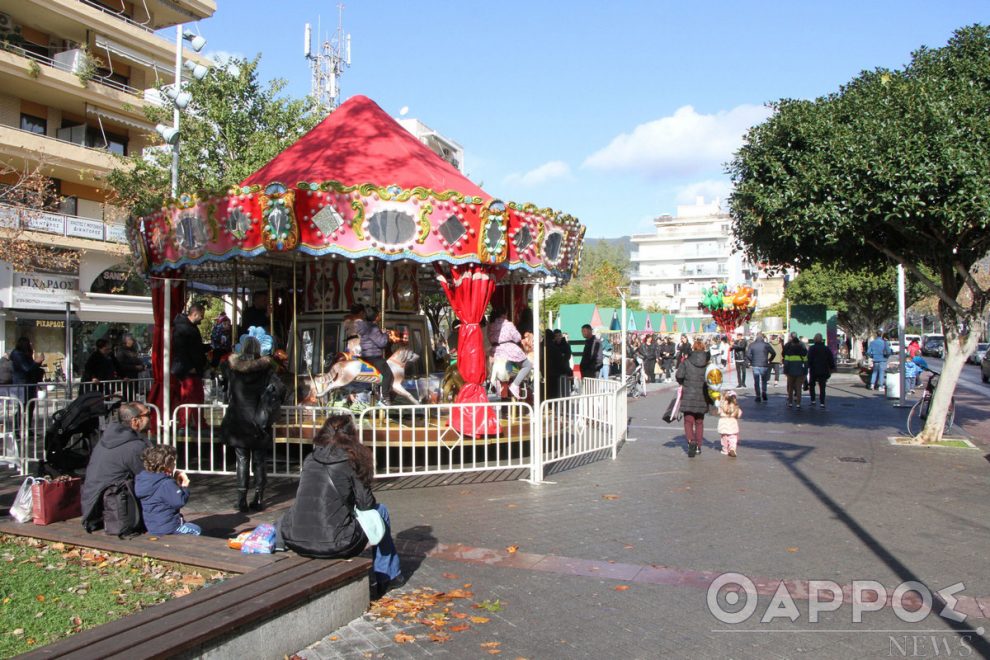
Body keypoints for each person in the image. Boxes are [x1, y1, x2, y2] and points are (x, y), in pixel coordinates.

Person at [276, 415, 403, 597]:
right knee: (380, 511)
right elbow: (367, 505)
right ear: (352, 435)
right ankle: (388, 575)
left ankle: (389, 574)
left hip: (295, 538)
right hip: (338, 543)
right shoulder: (351, 461)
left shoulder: (310, 459)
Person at [221, 332, 285, 512]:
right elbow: (280, 388)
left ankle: (241, 499)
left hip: (238, 421)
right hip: (259, 421)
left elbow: (224, 376)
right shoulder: (266, 370)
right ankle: (258, 498)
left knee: (242, 460)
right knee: (259, 461)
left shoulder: (232, 369)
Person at [80, 402, 153, 531]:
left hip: (92, 511)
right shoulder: (134, 446)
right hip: (116, 515)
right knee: (159, 485)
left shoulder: (106, 438)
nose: (151, 417)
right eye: (148, 414)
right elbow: (149, 480)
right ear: (135, 421)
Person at [135, 444, 200, 535]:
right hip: (169, 528)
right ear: (166, 465)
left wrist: (174, 481)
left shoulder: (144, 479)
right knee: (196, 529)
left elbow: (162, 494)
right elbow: (179, 501)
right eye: (173, 462)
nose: (174, 464)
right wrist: (184, 486)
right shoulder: (166, 483)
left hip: (152, 526)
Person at [172, 303, 208, 428]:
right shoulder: (183, 329)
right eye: (201, 315)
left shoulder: (189, 327)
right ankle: (185, 423)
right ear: (195, 314)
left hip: (192, 368)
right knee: (190, 397)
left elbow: (194, 348)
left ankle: (196, 422)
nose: (202, 318)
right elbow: (180, 350)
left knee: (196, 396)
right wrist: (188, 366)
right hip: (187, 370)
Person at [676, 339, 711, 458]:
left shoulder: (686, 361)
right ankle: (698, 446)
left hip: (689, 394)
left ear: (693, 348)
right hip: (703, 395)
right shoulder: (707, 363)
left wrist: (682, 382)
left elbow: (679, 375)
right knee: (699, 422)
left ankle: (691, 441)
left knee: (688, 420)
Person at [488, 308, 531, 400]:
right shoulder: (508, 324)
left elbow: (489, 337)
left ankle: (498, 388)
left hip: (495, 351)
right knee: (527, 365)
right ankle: (515, 384)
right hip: (508, 350)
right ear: (504, 315)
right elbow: (517, 337)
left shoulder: (491, 325)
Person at [357, 306, 394, 405]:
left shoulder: (364, 326)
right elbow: (382, 343)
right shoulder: (373, 328)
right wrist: (386, 335)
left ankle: (377, 388)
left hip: (365, 354)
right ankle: (386, 397)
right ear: (376, 317)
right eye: (379, 315)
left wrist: (381, 333)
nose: (380, 316)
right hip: (373, 356)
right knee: (388, 374)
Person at [10, 337, 45, 405]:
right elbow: (27, 368)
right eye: (29, 343)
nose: (31, 344)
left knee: (30, 405)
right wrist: (37, 362)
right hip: (22, 384)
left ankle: (28, 416)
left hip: (30, 384)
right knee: (23, 406)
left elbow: (32, 367)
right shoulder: (17, 354)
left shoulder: (27, 353)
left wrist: (39, 361)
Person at [806, 333, 836, 408]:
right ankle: (822, 402)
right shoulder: (826, 348)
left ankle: (813, 400)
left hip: (814, 370)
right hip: (823, 370)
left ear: (815, 339)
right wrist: (832, 367)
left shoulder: (812, 348)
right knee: (822, 387)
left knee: (812, 385)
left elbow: (809, 359)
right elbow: (830, 359)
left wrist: (807, 367)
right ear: (821, 339)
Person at [746, 332, 776, 402]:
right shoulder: (766, 345)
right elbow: (774, 353)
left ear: (756, 337)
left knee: (756, 381)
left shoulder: (752, 345)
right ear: (762, 337)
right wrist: (770, 360)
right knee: (764, 380)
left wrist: (752, 360)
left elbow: (748, 354)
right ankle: (764, 392)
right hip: (764, 364)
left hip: (755, 364)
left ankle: (758, 396)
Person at [782, 332, 809, 409]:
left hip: (790, 372)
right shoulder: (803, 352)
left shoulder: (788, 352)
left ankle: (790, 402)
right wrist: (805, 372)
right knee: (798, 388)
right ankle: (798, 403)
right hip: (800, 372)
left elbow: (786, 363)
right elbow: (806, 363)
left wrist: (785, 372)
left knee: (790, 387)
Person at [716, 390, 742, 457]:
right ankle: (732, 448)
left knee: (724, 438)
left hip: (723, 424)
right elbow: (739, 414)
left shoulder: (722, 406)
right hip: (732, 424)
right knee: (733, 438)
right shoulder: (736, 406)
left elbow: (717, 411)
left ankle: (725, 450)